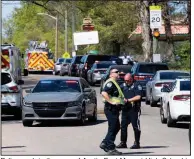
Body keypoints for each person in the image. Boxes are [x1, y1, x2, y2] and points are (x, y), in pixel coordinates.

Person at [100, 69, 125, 155]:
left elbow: (116, 95)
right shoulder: (110, 82)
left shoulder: (115, 82)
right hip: (110, 108)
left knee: (116, 127)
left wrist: (122, 100)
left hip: (115, 109)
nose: (118, 73)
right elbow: (104, 93)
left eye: (119, 72)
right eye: (116, 72)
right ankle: (110, 147)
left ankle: (105, 142)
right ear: (111, 74)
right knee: (113, 127)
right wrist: (111, 101)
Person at [116, 73, 142, 149]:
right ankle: (123, 142)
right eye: (125, 80)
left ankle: (137, 143)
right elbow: (118, 95)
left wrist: (128, 100)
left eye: (128, 80)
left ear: (132, 79)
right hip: (125, 109)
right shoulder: (123, 86)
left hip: (134, 109)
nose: (126, 82)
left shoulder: (137, 85)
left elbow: (139, 96)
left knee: (135, 126)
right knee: (123, 126)